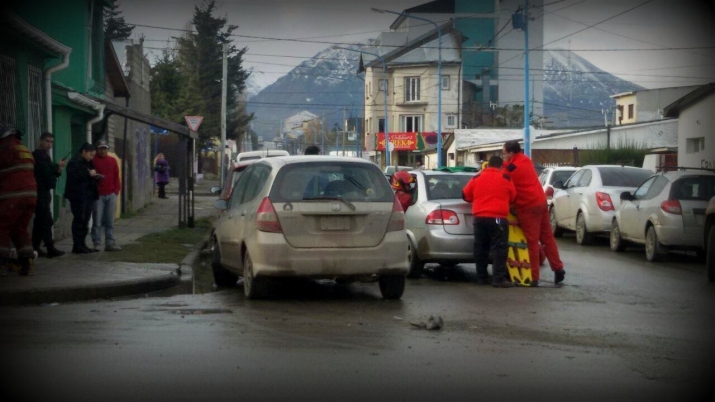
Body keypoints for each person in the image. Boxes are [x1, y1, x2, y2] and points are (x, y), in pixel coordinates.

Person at [502, 140, 565, 286]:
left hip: (527, 206)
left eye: (504, 153)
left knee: (532, 241)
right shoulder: (525, 160)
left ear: (511, 153)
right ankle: (558, 269)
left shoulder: (512, 168)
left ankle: (534, 277)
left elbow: (503, 174)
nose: (503, 156)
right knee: (547, 238)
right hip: (540, 202)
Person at [462, 156, 516, 287]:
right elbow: (513, 196)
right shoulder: (505, 178)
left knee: (480, 248)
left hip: (480, 218)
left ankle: (482, 278)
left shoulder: (476, 178)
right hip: (498, 218)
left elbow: (465, 195)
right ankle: (498, 279)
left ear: (488, 165)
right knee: (499, 249)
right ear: (500, 166)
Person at [0, 127, 37, 276]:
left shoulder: (5, 146)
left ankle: (1, 265)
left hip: (13, 195)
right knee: (19, 228)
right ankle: (27, 263)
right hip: (31, 195)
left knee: (1, 227)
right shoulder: (22, 147)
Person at [32, 132, 67, 258]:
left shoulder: (45, 156)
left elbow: (51, 174)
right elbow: (44, 171)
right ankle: (50, 248)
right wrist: (57, 166)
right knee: (46, 220)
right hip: (39, 191)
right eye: (47, 141)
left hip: (45, 191)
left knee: (40, 221)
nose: (50, 144)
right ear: (41, 141)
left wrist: (58, 170)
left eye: (52, 142)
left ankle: (34, 246)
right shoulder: (37, 154)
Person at [64, 143, 100, 254]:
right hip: (77, 195)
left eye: (93, 155)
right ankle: (77, 245)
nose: (91, 157)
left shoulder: (89, 163)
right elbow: (76, 176)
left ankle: (82, 244)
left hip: (88, 195)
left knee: (85, 220)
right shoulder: (74, 162)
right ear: (83, 152)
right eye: (90, 154)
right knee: (79, 219)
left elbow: (90, 177)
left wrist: (96, 177)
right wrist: (88, 174)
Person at [91, 140, 122, 251]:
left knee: (110, 221)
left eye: (105, 148)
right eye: (101, 148)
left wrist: (116, 191)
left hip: (111, 193)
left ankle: (110, 242)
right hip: (98, 195)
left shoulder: (112, 160)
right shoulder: (93, 160)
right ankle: (97, 243)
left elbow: (116, 176)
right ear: (97, 149)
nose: (103, 151)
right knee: (97, 221)